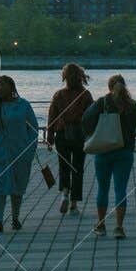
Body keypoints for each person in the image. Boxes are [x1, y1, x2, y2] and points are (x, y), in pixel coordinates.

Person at [83, 73, 136, 239]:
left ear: (109, 87)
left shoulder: (102, 103)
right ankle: (119, 227)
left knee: (103, 188)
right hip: (124, 151)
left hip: (103, 150)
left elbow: (86, 120)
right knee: (120, 189)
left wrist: (92, 134)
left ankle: (101, 225)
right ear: (125, 86)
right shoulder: (131, 105)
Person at [0, 75, 40, 235]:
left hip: (20, 153)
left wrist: (29, 150)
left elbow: (33, 128)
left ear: (11, 87)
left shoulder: (23, 105)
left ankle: (15, 218)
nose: (0, 88)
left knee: (17, 186)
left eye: (3, 85)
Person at [47, 63, 93, 216]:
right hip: (80, 135)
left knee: (64, 166)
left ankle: (65, 192)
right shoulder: (85, 95)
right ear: (81, 77)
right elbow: (91, 118)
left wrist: (50, 137)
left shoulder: (58, 95)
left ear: (65, 77)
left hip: (62, 135)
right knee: (78, 168)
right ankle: (74, 205)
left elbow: (51, 117)